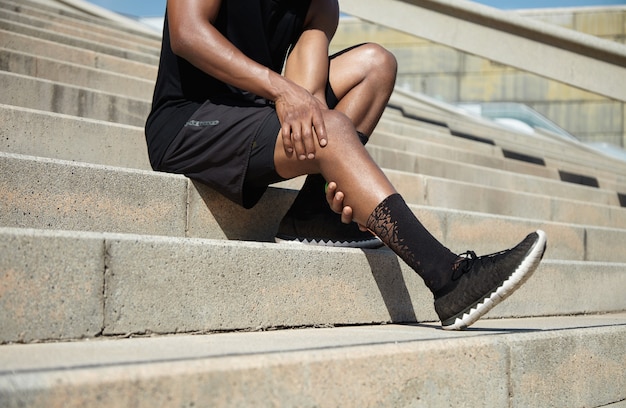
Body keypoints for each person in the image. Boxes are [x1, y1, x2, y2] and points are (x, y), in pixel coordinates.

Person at [145, 0, 547, 330]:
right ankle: (448, 277)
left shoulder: (320, 5)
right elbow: (187, 33)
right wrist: (280, 90)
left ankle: (314, 214)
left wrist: (336, 168)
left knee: (376, 63)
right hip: (189, 123)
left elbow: (310, 96)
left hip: (253, 117)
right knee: (332, 127)